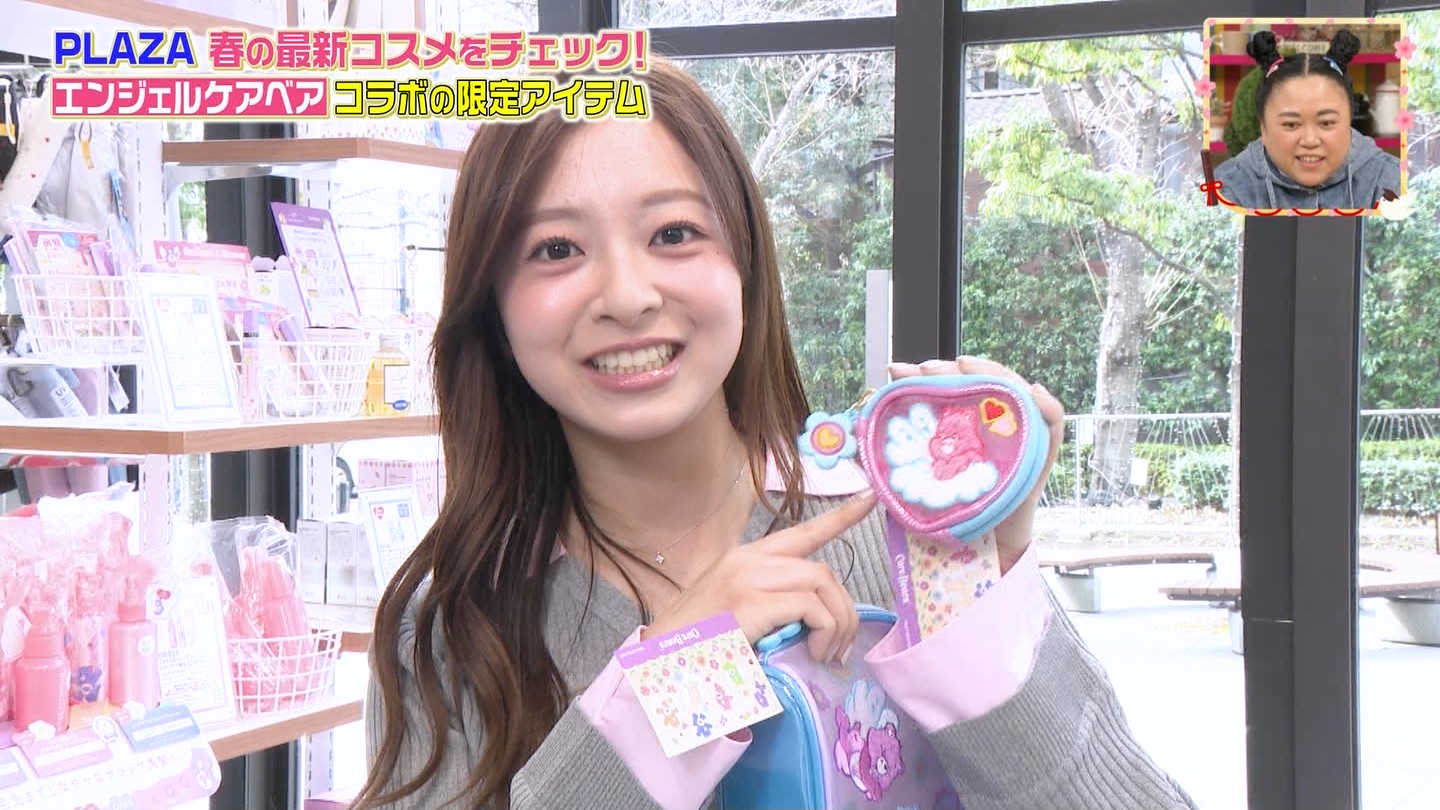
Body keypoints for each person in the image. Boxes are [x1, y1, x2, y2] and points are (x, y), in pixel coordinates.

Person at [354, 56, 1197, 810]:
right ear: (493, 306)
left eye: (674, 234)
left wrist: (976, 598)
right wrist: (681, 679)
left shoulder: (898, 536)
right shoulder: (449, 626)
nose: (627, 296)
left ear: (746, 264)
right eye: (555, 249)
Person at [1215, 29, 1402, 210]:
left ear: (1349, 121)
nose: (1310, 140)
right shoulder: (1227, 189)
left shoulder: (1390, 180)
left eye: (1326, 123)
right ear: (1263, 127)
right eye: (1291, 124)